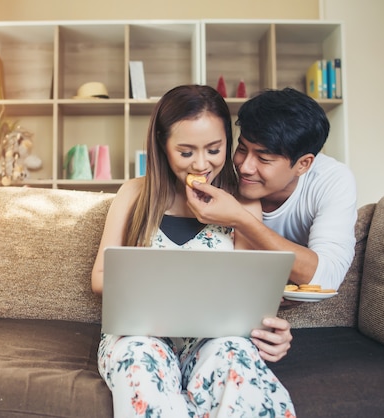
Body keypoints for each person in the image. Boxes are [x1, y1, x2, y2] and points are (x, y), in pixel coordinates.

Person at [91, 85, 296, 418]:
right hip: (140, 334)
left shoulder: (243, 203)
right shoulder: (134, 193)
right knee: (139, 361)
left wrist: (272, 326)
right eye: (186, 152)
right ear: (163, 146)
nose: (202, 164)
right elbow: (100, 277)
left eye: (214, 149)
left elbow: (246, 292)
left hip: (213, 338)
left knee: (236, 359)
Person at [187, 87, 357, 290]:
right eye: (241, 149)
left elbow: (326, 277)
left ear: (303, 164)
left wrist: (240, 219)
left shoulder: (331, 180)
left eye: (264, 158)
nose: (244, 167)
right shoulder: (214, 171)